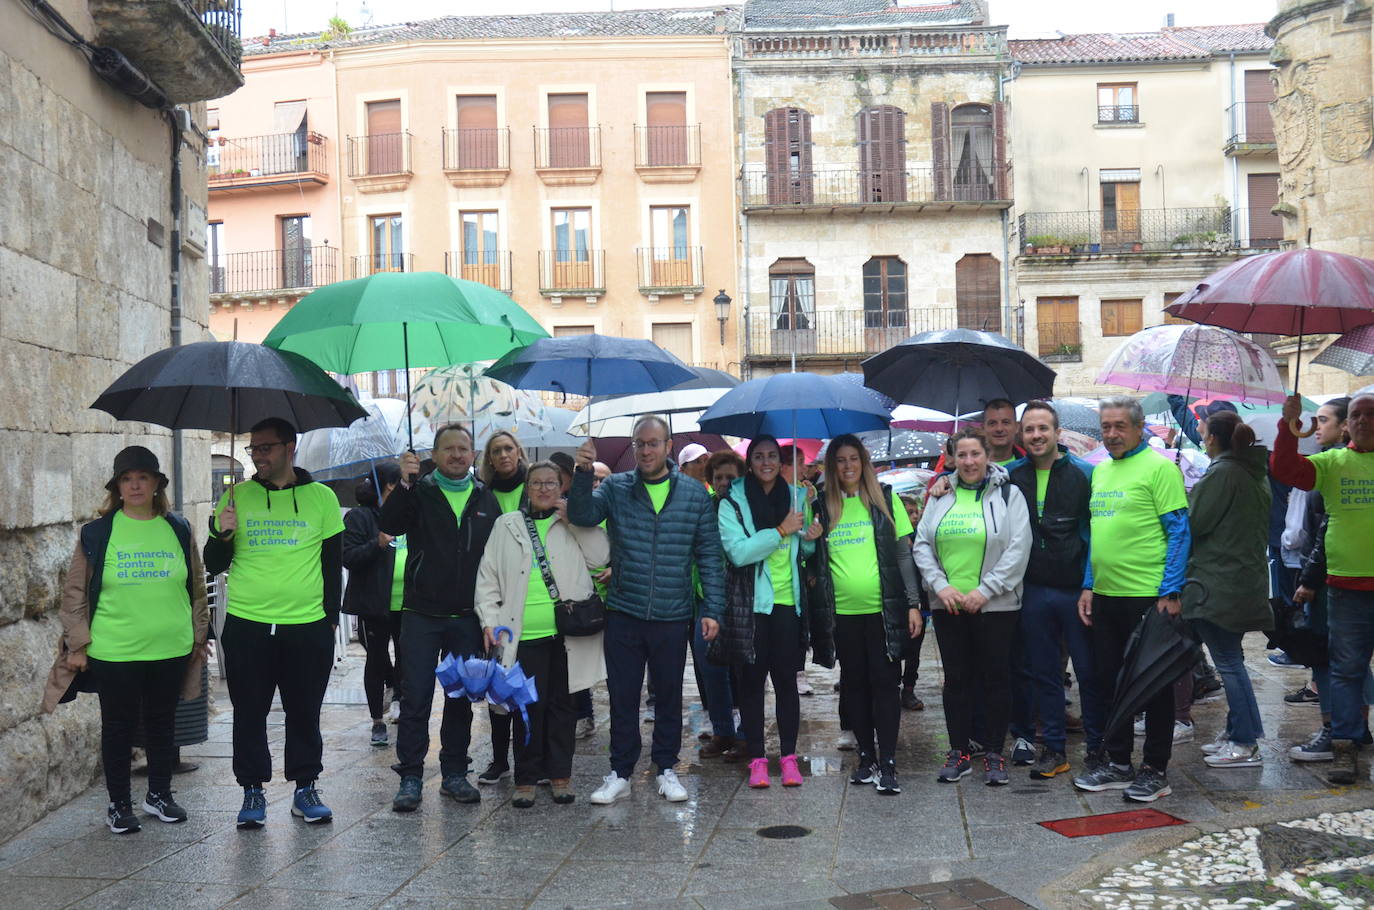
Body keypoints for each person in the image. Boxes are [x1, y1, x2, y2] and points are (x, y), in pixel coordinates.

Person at [42, 447, 209, 834]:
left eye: (143, 478)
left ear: (156, 485)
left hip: (171, 647)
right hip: (115, 650)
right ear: (117, 487)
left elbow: (196, 586)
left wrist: (200, 636)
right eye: (127, 479)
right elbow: (74, 593)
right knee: (118, 727)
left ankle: (159, 795)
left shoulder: (178, 528)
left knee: (162, 723)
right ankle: (118, 804)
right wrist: (78, 645)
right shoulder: (98, 533)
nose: (135, 485)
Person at [570, 415, 724, 804]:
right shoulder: (618, 487)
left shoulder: (694, 494)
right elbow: (582, 516)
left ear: (668, 446)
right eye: (640, 443)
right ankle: (620, 771)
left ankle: (667, 767)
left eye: (653, 443)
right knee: (623, 695)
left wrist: (713, 610)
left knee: (669, 694)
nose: (646, 450)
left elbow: (709, 555)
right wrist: (583, 472)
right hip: (624, 608)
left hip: (673, 614)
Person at [205, 418, 344, 827]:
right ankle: (252, 791)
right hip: (248, 623)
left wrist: (330, 621)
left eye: (266, 448)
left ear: (290, 447)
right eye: (254, 449)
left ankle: (305, 787)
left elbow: (331, 564)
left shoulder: (322, 498)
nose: (259, 456)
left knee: (305, 711)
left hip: (307, 625)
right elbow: (213, 564)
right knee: (249, 712)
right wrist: (222, 532)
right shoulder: (235, 498)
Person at [1072, 397, 1190, 803]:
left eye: (1120, 425)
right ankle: (1118, 762)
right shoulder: (1101, 470)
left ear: (1140, 428)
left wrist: (1170, 590)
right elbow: (1096, 536)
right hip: (1106, 595)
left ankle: (1155, 769)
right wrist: (1089, 584)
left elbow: (1179, 532)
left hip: (1148, 596)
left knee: (1152, 686)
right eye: (1106, 426)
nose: (1112, 433)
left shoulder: (1160, 468)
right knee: (1109, 682)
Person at [476, 461, 610, 807]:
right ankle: (526, 777)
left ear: (562, 486)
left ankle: (561, 775)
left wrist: (576, 523)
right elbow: (487, 578)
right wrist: (489, 621)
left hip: (567, 634)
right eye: (537, 483)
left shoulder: (572, 521)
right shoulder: (507, 525)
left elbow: (600, 559)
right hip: (522, 635)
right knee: (526, 708)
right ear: (527, 487)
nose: (544, 489)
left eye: (551, 483)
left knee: (563, 707)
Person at [381, 424, 500, 812]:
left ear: (473, 454)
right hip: (421, 614)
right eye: (448, 449)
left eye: (463, 449)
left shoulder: (486, 497)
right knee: (415, 696)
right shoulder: (419, 492)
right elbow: (390, 524)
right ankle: (411, 776)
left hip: (467, 616)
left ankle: (454, 773)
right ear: (434, 453)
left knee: (460, 697)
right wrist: (404, 483)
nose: (456, 455)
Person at [914, 428, 1031, 786]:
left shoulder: (1010, 495)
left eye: (975, 454)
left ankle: (995, 754)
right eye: (961, 455)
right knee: (956, 681)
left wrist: (987, 590)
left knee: (996, 678)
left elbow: (1018, 548)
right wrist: (941, 586)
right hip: (949, 606)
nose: (968, 462)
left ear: (987, 456)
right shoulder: (939, 496)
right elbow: (922, 546)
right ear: (952, 458)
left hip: (995, 607)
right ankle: (959, 752)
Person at [810, 435, 922, 793]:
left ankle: (888, 761)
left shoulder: (885, 499)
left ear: (863, 462)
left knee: (886, 685)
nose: (847, 466)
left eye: (853, 459)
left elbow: (904, 556)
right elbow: (810, 565)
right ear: (832, 466)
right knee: (854, 688)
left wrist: (913, 603)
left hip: (881, 611)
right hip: (841, 615)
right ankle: (865, 757)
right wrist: (809, 541)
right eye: (840, 460)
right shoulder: (821, 508)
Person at [1273, 392, 1374, 785]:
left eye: (1370, 414)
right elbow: (1284, 468)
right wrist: (1289, 425)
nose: (1363, 421)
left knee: (1347, 671)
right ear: (1347, 424)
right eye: (1356, 415)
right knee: (1346, 672)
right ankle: (1346, 748)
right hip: (1346, 589)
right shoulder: (1333, 463)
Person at [718, 436, 824, 789]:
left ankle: (789, 758)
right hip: (751, 606)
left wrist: (810, 536)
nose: (766, 462)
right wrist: (781, 530)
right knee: (751, 684)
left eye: (773, 457)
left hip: (787, 605)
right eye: (759, 456)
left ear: (781, 462)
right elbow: (739, 553)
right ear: (749, 463)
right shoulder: (731, 502)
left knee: (786, 684)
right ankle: (759, 759)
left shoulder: (797, 497)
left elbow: (802, 551)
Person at [1006, 401, 1104, 780]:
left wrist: (1089, 584)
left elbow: (1097, 531)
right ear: (1021, 435)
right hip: (1033, 589)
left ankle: (1097, 749)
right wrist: (944, 481)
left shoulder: (1085, 473)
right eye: (1029, 430)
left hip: (1075, 589)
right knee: (1044, 673)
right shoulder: (1012, 475)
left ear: (1057, 432)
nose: (1036, 435)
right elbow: (974, 479)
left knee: (1088, 671)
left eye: (1043, 428)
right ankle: (1056, 750)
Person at [1183, 411, 1272, 767]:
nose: (1202, 440)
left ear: (1214, 439)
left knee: (1230, 664)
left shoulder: (1223, 473)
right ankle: (1237, 730)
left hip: (1218, 583)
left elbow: (1195, 522)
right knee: (1233, 660)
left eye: (1203, 435)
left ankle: (1245, 740)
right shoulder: (1251, 469)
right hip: (1240, 580)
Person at [341, 464, 405, 748]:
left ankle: (401, 703)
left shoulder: (407, 515)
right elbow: (348, 557)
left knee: (408, 658)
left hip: (409, 603)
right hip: (373, 604)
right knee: (376, 660)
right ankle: (377, 720)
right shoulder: (360, 517)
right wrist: (376, 544)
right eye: (398, 484)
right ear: (388, 486)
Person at [697, 450, 745, 759]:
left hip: (741, 596)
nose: (724, 482)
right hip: (706, 597)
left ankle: (745, 733)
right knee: (710, 667)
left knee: (742, 669)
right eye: (718, 478)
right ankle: (722, 730)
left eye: (730, 477)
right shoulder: (705, 509)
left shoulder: (747, 508)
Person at [897, 493, 929, 712]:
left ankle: (908, 688)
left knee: (914, 651)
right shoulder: (892, 539)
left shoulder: (923, 537)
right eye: (907, 513)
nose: (913, 517)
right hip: (897, 604)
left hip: (921, 605)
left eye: (915, 512)